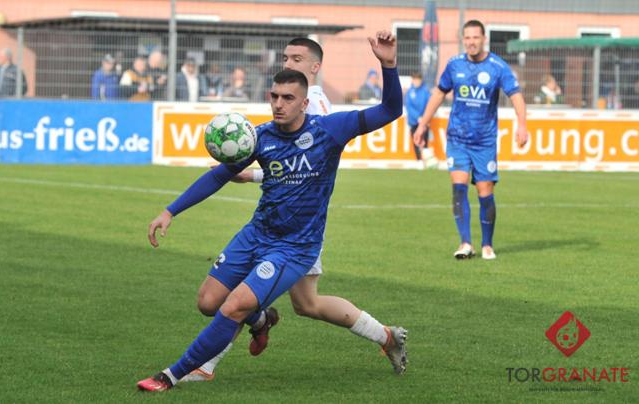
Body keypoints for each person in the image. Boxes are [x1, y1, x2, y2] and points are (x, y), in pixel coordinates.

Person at [137, 30, 405, 392]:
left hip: (294, 246)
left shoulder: (330, 129)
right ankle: (262, 321)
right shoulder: (261, 137)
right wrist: (170, 211)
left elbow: (390, 110)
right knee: (208, 302)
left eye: (287, 98)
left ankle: (172, 374)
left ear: (304, 102)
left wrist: (388, 64)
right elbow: (218, 176)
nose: (279, 104)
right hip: (257, 234)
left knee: (235, 306)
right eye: (274, 97)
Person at [413, 20, 528, 260]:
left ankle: (487, 244)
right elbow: (439, 93)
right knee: (458, 188)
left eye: (475, 37)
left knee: (485, 193)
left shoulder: (498, 66)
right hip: (458, 139)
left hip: (485, 141)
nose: (471, 42)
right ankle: (465, 242)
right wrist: (423, 124)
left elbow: (515, 95)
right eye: (467, 38)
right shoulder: (454, 65)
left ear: (484, 39)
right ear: (462, 39)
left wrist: (522, 124)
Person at [404, 72, 431, 167]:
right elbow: (409, 107)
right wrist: (417, 117)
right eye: (415, 80)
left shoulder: (425, 91)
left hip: (424, 120)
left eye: (418, 80)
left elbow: (429, 105)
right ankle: (419, 160)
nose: (416, 82)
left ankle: (427, 160)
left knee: (425, 141)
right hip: (414, 121)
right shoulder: (410, 92)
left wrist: (424, 117)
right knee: (416, 140)